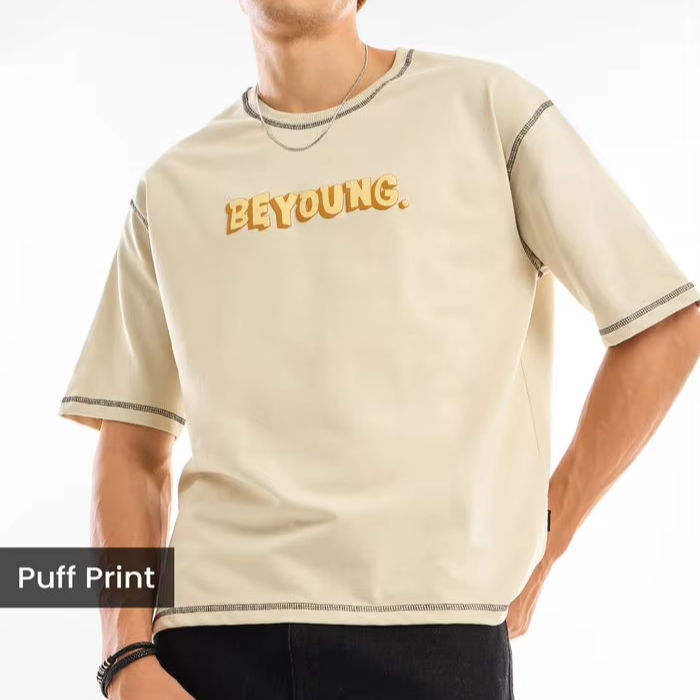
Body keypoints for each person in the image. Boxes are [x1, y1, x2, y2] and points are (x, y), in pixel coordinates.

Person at [60, 1, 700, 698]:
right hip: (211, 638)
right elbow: (131, 443)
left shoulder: (485, 109)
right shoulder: (172, 185)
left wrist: (548, 531)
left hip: (431, 632)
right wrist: (123, 657)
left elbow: (664, 325)